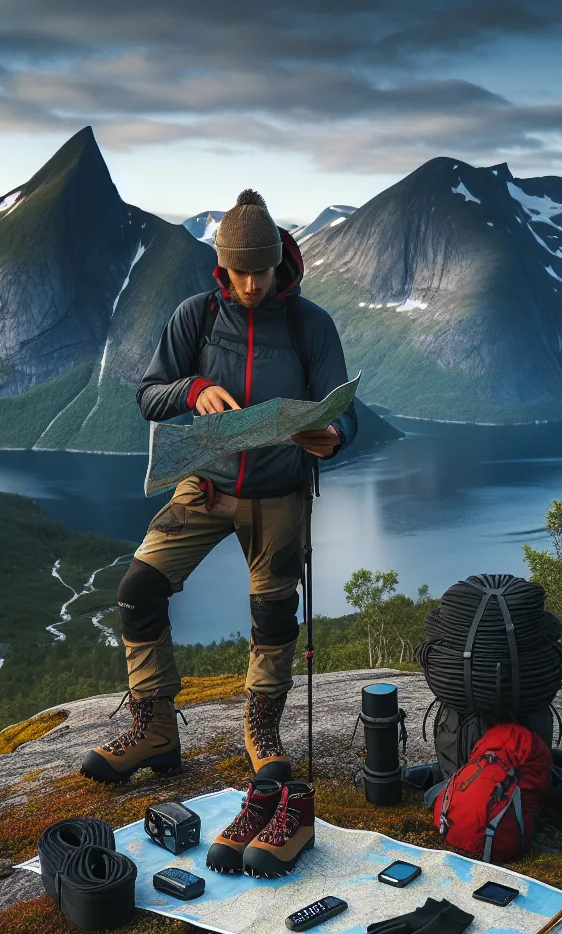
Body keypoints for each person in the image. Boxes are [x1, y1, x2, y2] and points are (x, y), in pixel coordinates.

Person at [81, 189, 357, 785]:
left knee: (273, 614)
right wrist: (193, 389)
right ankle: (155, 730)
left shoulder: (310, 325)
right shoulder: (197, 317)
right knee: (138, 589)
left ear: (278, 263)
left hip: (278, 494)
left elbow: (345, 409)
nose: (252, 285)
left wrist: (332, 434)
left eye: (262, 272)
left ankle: (262, 731)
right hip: (204, 485)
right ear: (222, 267)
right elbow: (149, 395)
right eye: (240, 272)